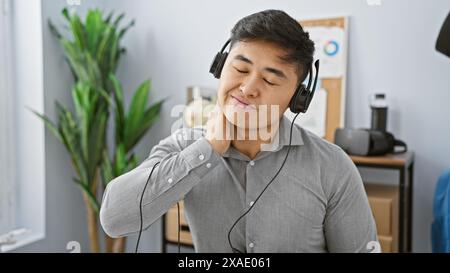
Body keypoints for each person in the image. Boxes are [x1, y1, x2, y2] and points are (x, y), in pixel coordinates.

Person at [100, 9, 378, 253]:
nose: (247, 88)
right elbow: (114, 219)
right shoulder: (185, 145)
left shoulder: (332, 167)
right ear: (220, 67)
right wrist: (207, 149)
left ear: (297, 99)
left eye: (269, 79)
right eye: (241, 68)